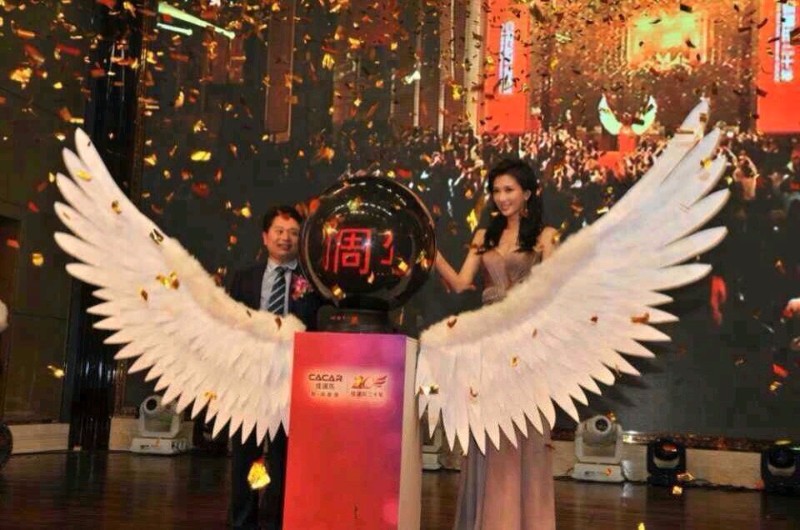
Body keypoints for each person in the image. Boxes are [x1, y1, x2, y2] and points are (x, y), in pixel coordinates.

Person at [434, 159, 559, 530]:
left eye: (509, 190)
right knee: (488, 431)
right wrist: (432, 251)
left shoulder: (546, 236)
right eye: (496, 191)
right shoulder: (483, 236)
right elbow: (461, 283)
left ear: (528, 193)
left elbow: (553, 288)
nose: (502, 198)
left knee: (524, 430)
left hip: (525, 342)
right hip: (488, 343)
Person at [228, 205, 322, 530]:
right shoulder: (244, 278)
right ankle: (244, 521)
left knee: (285, 457)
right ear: (265, 237)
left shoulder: (313, 281)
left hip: (292, 381)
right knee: (247, 455)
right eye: (279, 232)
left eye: (293, 233)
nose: (286, 238)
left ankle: (277, 521)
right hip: (251, 379)